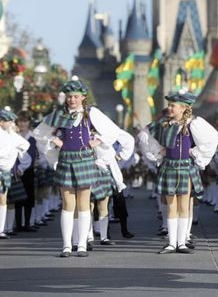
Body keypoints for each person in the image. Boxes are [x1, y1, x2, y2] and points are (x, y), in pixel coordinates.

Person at [32, 78, 133, 257]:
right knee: (68, 204)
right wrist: (53, 141)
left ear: (83, 97)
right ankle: (66, 245)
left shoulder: (91, 113)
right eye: (69, 96)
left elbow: (112, 130)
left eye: (75, 96)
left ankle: (82, 245)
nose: (72, 100)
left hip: (85, 160)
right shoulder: (59, 114)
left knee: (84, 203)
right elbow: (39, 133)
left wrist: (99, 140)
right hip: (66, 160)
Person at [140, 91, 218, 254]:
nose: (169, 108)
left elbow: (212, 138)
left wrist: (195, 152)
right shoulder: (163, 124)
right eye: (169, 105)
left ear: (183, 108)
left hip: (185, 167)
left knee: (184, 205)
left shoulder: (193, 123)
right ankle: (171, 242)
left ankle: (181, 242)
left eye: (173, 106)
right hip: (168, 166)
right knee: (171, 206)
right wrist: (157, 151)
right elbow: (143, 135)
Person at [0, 109, 31, 239]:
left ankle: (2, 229)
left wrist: (12, 133)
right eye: (10, 121)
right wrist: (12, 149)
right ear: (1, 122)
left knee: (3, 200)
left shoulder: (10, 135)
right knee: (3, 200)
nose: (13, 123)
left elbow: (26, 144)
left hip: (5, 171)